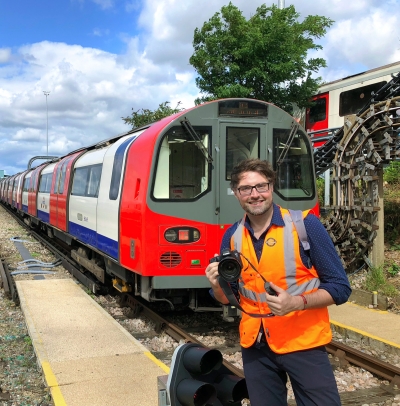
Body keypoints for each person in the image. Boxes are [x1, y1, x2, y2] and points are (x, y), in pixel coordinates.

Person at [205, 158, 351, 406]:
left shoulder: (305, 225)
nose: (255, 194)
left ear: (271, 187)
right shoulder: (231, 236)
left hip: (303, 342)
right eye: (246, 189)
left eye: (261, 186)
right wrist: (217, 285)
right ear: (237, 194)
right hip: (255, 346)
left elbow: (340, 287)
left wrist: (296, 302)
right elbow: (229, 298)